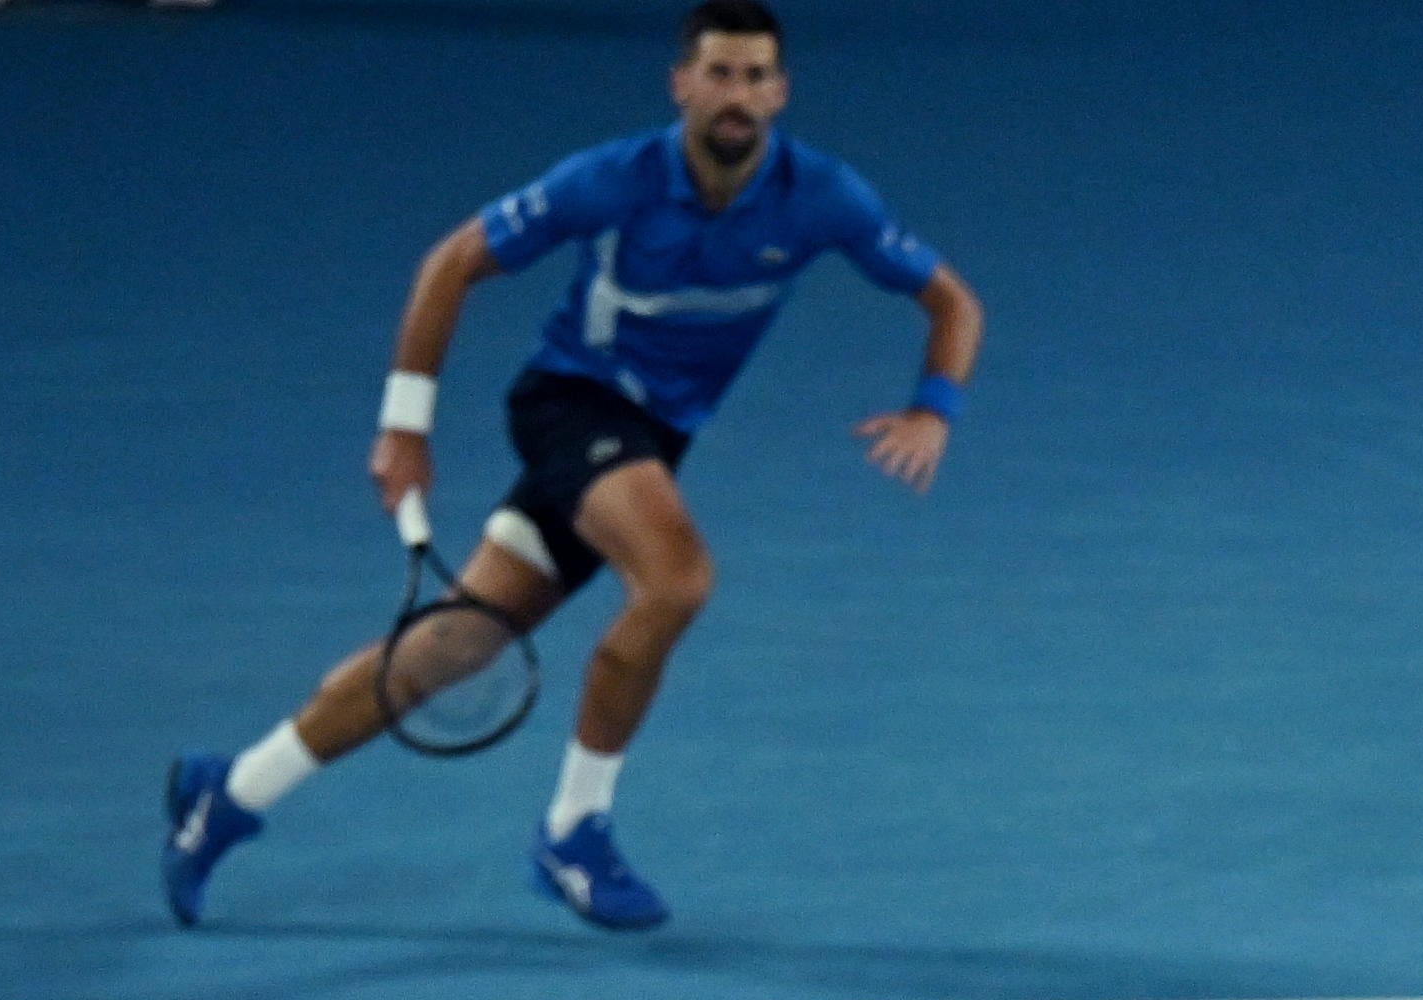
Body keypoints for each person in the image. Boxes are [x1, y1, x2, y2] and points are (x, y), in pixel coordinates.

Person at [160, 0, 982, 933]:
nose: (736, 95)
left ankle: (228, 792)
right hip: (573, 407)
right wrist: (405, 426)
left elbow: (953, 303)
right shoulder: (610, 180)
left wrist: (932, 410)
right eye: (718, 73)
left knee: (451, 647)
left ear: (781, 92)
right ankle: (575, 829)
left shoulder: (825, 197)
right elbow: (450, 263)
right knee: (676, 581)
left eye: (756, 77)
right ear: (681, 83)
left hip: (652, 438)